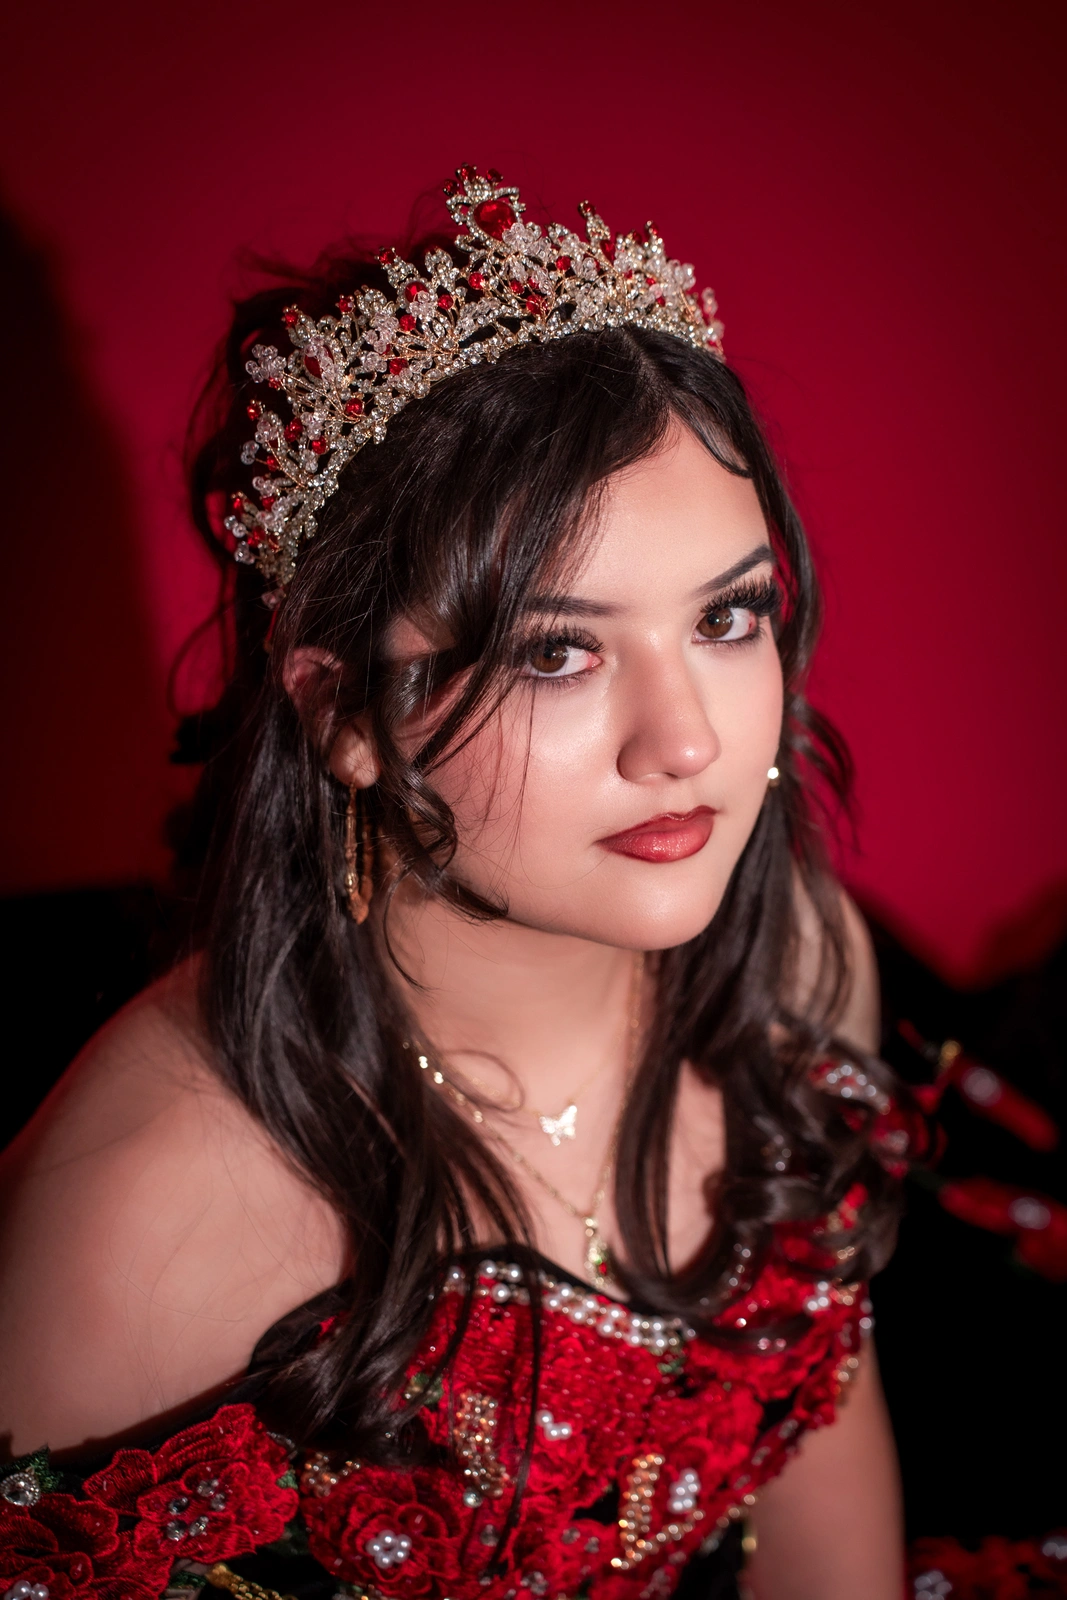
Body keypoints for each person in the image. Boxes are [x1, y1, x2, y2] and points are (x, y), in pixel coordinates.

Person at [0, 167, 909, 1599]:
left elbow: (822, 1481)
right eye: (556, 650)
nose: (687, 743)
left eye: (728, 616)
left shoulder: (795, 965)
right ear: (345, 714)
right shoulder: (145, 1210)